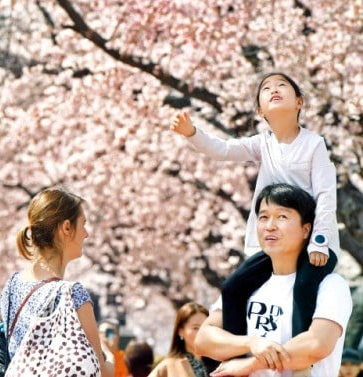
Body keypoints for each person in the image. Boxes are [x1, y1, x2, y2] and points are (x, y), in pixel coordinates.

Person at [170, 72, 339, 338]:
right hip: (277, 244)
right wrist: (193, 133)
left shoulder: (314, 144)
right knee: (233, 287)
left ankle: (302, 361)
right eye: (267, 88)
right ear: (260, 110)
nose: (275, 89)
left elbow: (326, 195)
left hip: (311, 242)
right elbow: (224, 150)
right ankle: (235, 355)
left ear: (299, 102)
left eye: (283, 85)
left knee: (305, 286)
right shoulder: (262, 144)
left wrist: (319, 240)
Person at [195, 183, 353, 376]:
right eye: (263, 217)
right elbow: (204, 339)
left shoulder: (331, 285)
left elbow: (316, 345)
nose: (270, 226)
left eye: (282, 216)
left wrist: (251, 364)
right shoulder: (246, 286)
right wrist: (252, 342)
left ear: (306, 230)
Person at [0, 187, 114, 377]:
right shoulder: (73, 295)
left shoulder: (12, 286)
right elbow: (103, 372)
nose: (86, 234)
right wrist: (109, 354)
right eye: (83, 224)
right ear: (66, 228)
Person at [148, 302, 208, 377]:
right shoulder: (169, 366)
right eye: (195, 328)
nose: (201, 332)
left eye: (205, 327)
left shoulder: (219, 362)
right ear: (180, 331)